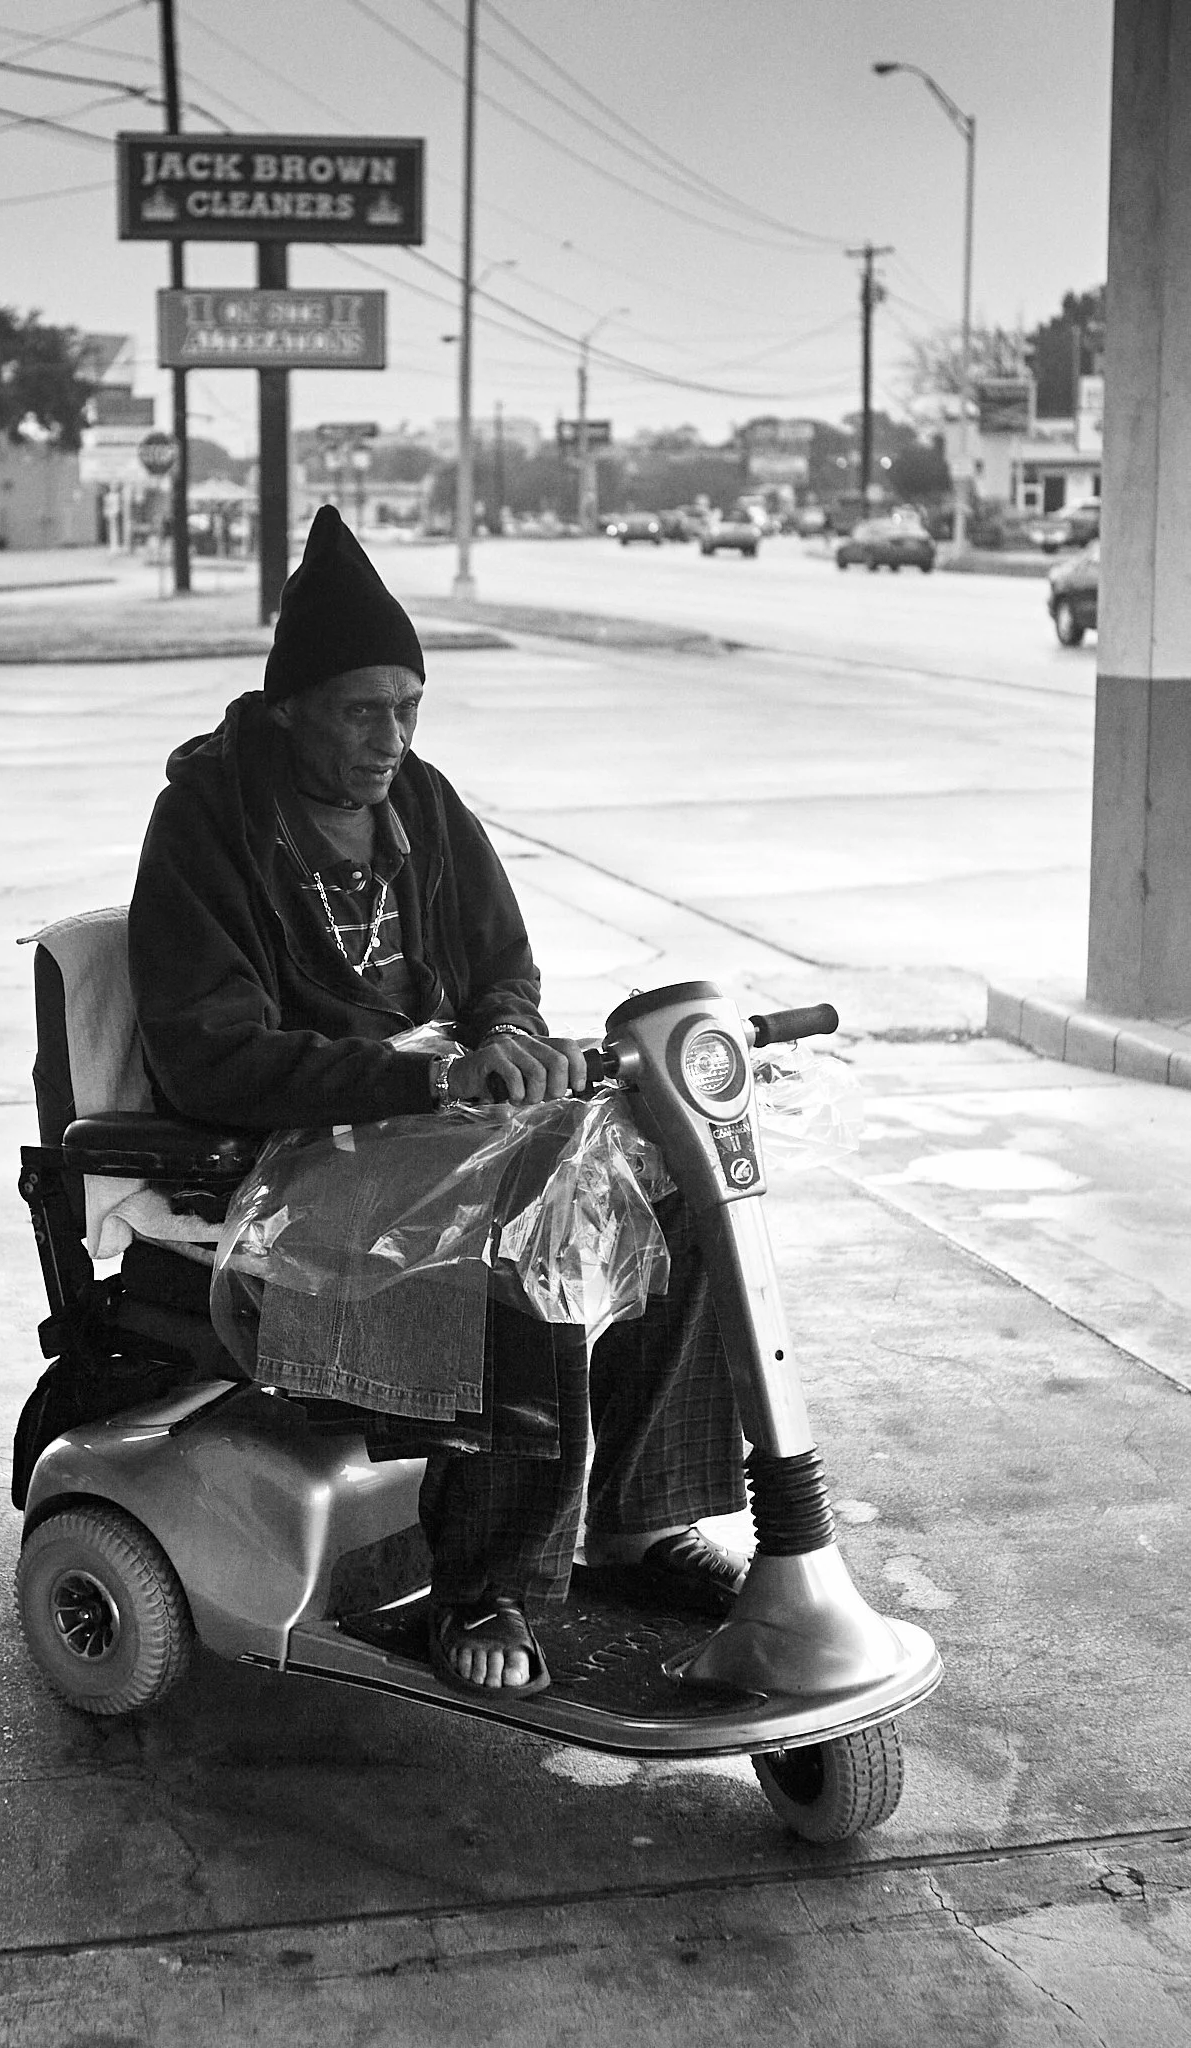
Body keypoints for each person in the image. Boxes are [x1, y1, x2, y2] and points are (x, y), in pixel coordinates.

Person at [128, 505, 749, 1698]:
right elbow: (211, 1054)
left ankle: (636, 1516)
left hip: (435, 1119)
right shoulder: (207, 818)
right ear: (291, 705)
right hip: (288, 1151)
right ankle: (485, 1579)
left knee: (672, 1169)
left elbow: (503, 969)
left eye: (409, 707)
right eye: (363, 711)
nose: (392, 738)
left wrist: (506, 1037)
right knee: (533, 1226)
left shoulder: (423, 799)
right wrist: (426, 1075)